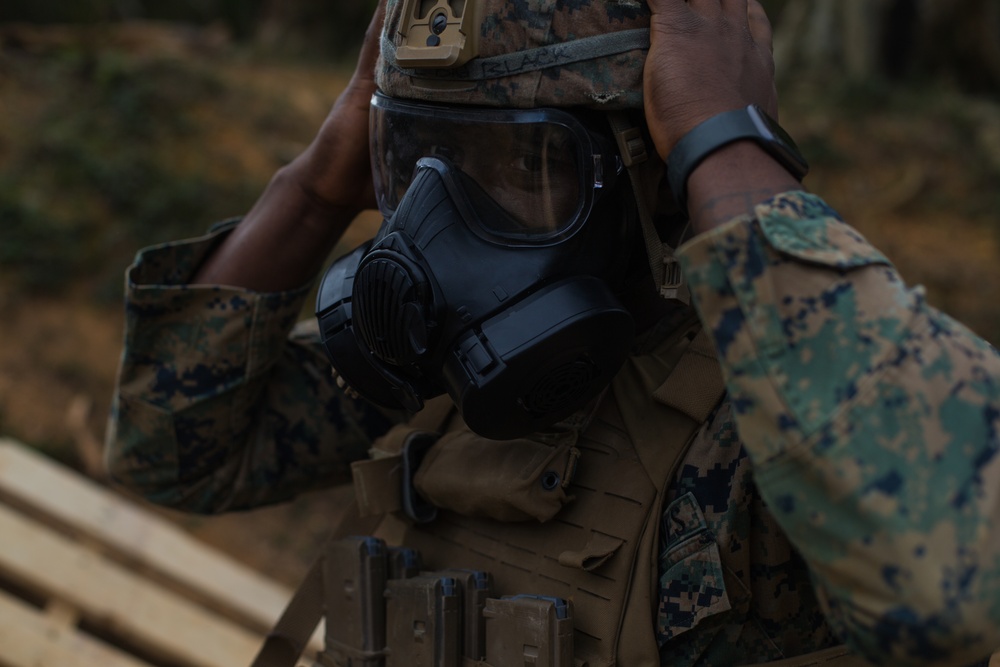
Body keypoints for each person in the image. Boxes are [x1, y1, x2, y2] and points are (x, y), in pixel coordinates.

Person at [105, 0, 1000, 665]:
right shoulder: (446, 363)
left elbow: (959, 588)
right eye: (413, 157)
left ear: (648, 171)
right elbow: (172, 449)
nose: (430, 228)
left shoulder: (784, 425)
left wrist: (728, 147)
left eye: (513, 166)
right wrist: (319, 179)